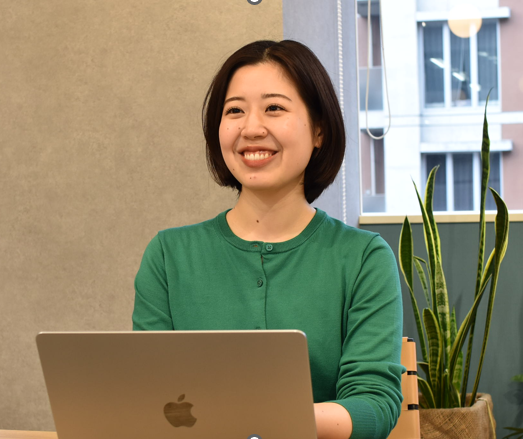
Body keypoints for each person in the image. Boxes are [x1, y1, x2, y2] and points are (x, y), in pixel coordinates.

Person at [132, 40, 404, 439]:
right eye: (234, 111)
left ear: (319, 130)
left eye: (274, 108)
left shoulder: (363, 258)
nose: (251, 128)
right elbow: (151, 397)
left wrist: (262, 417)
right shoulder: (168, 256)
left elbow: (374, 405)